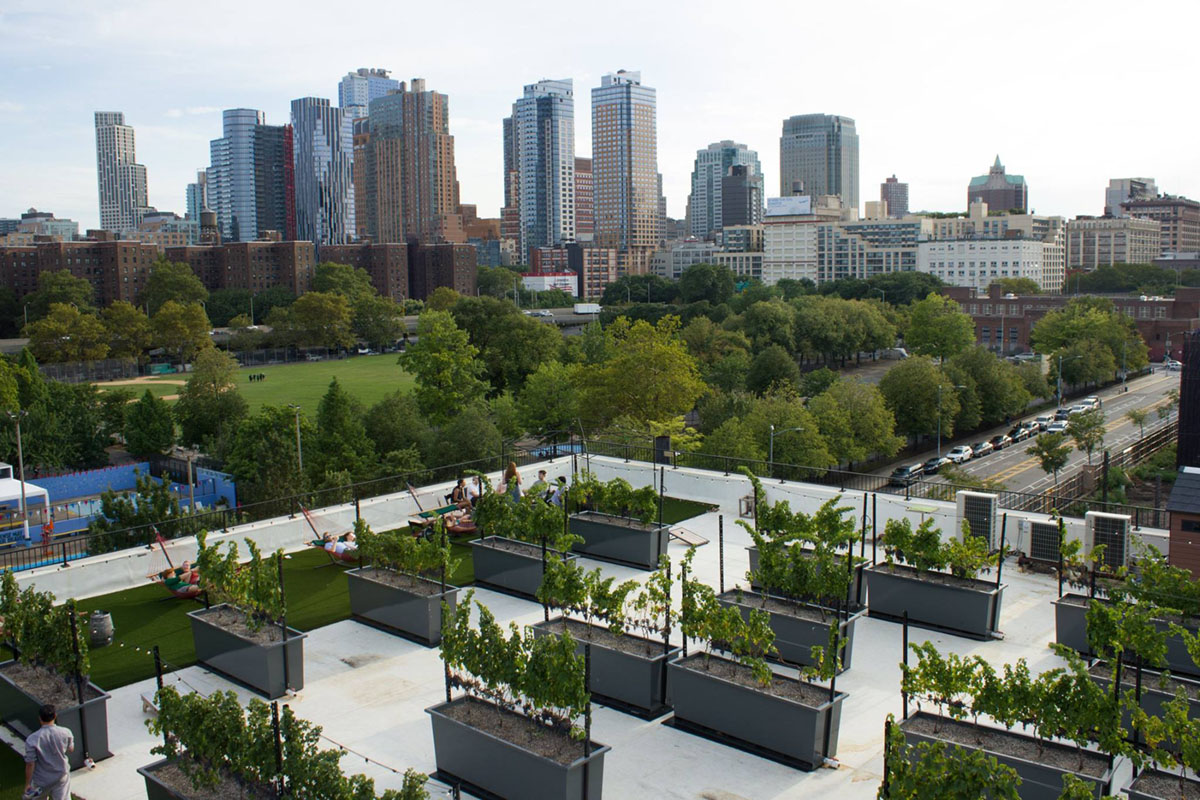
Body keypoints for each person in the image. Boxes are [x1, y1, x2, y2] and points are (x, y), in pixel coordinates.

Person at [24, 704, 73, 800]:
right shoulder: (66, 732)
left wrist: (27, 784)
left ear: (39, 718)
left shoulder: (32, 739)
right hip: (61, 776)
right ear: (55, 716)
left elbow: (30, 763)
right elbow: (70, 749)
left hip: (41, 781)